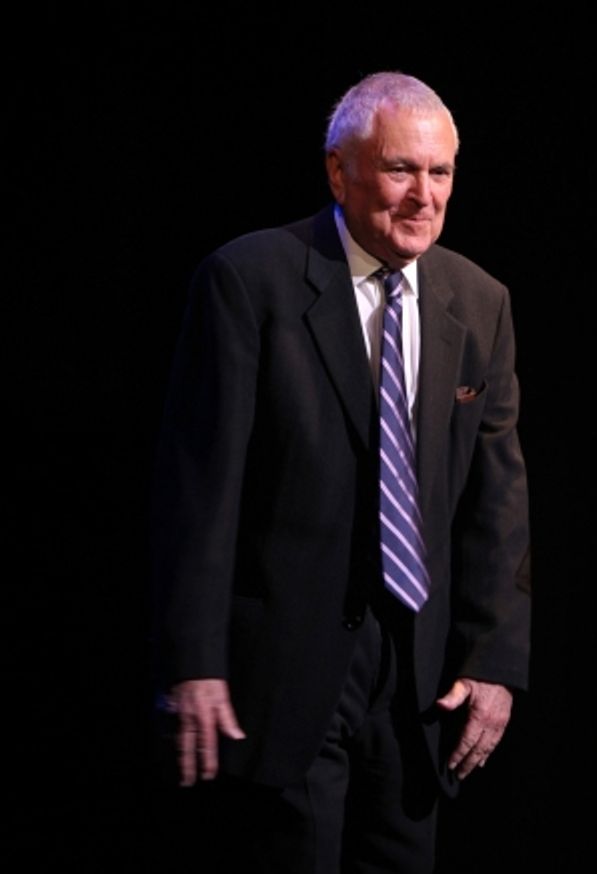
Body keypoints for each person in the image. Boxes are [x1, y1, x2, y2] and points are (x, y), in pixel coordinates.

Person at [152, 71, 531, 872]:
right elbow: (200, 487)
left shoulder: (480, 300)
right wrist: (195, 658)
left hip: (419, 683)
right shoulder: (249, 279)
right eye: (400, 169)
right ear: (339, 171)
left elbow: (498, 499)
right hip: (281, 669)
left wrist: (492, 659)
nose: (423, 196)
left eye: (441, 173)